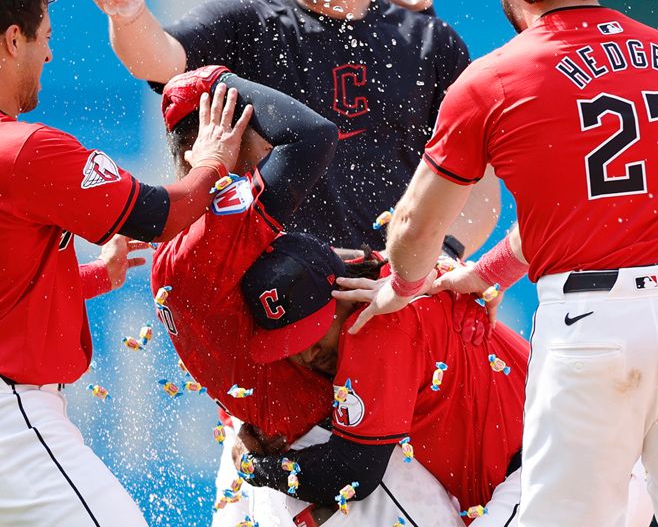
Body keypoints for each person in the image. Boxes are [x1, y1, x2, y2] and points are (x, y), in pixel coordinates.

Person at [337, 0, 658, 527]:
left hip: (597, 329)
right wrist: (490, 272)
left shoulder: (493, 78)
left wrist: (403, 286)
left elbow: (415, 230)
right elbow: (607, 207)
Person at [0, 0, 252, 527]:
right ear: (12, 40)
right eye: (44, 37)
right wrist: (211, 162)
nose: (49, 54)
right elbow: (161, 214)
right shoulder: (18, 148)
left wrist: (94, 275)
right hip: (5, 422)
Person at [89, 0, 499, 255]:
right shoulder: (246, 23)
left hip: (393, 297)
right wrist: (128, 13)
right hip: (277, 297)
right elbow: (158, 60)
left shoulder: (427, 38)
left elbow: (477, 177)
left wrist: (437, 256)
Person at [152, 66, 472, 527]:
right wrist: (214, 82)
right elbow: (312, 137)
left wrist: (437, 269)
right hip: (325, 469)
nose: (266, 149)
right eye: (251, 131)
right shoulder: (204, 243)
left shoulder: (191, 242)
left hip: (287, 462)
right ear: (207, 145)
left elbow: (345, 264)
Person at [234, 245, 529, 527]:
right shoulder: (387, 271)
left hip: (542, 465)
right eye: (291, 342)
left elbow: (350, 475)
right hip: (535, 463)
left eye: (313, 331)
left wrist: (254, 468)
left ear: (346, 291)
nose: (308, 354)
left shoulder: (374, 328)